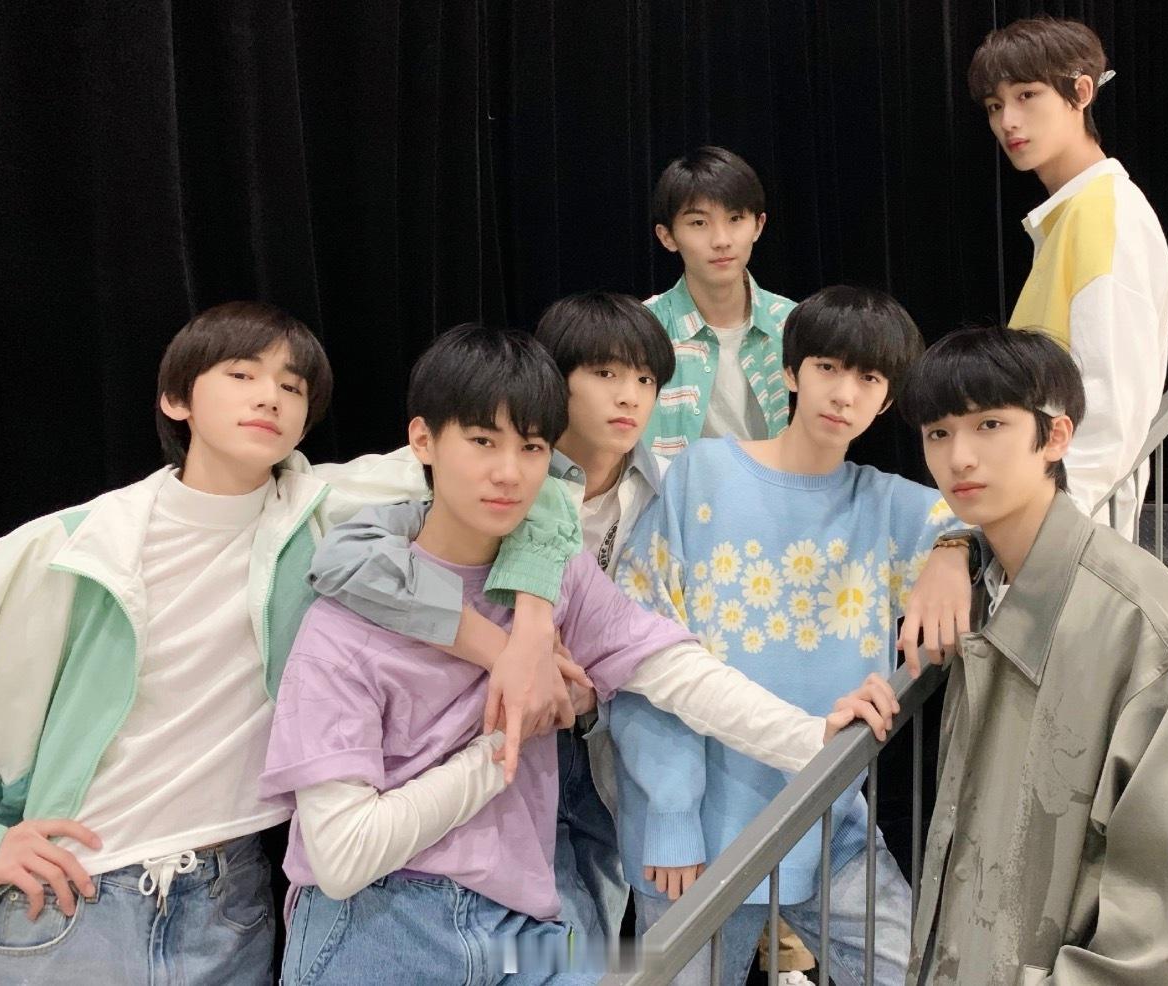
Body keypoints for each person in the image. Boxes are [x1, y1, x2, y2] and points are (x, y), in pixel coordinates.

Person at [263, 325, 901, 985]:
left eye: (531, 447)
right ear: (423, 440)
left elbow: (675, 670)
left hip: (520, 927)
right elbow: (341, 857)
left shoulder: (559, 575)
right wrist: (505, 746)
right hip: (378, 923)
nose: (509, 472)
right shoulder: (346, 616)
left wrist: (812, 736)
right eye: (482, 441)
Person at [0, 302, 580, 983]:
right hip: (75, 897)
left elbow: (543, 476)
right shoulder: (73, 545)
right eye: (242, 374)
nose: (269, 396)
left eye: (292, 386)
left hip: (229, 899)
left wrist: (530, 635)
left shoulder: (325, 509)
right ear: (176, 399)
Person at [611, 286, 959, 986]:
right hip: (700, 836)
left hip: (829, 827)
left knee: (923, 972)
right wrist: (671, 815)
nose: (845, 394)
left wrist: (955, 550)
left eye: (869, 378)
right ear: (791, 371)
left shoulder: (886, 503)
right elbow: (641, 655)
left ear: (887, 400)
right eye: (828, 368)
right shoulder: (700, 474)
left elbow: (1002, 511)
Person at [309, 291, 677, 942]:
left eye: (646, 379)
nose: (628, 396)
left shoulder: (669, 485)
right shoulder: (462, 471)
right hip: (487, 743)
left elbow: (652, 640)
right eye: (605, 373)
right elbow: (339, 550)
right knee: (534, 916)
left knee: (592, 932)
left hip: (599, 731)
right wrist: (511, 651)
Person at [901, 323, 1168, 985]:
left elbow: (1158, 923)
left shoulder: (1142, 622)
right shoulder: (985, 582)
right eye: (938, 433)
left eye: (989, 425)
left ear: (1055, 436)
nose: (959, 458)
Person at [969, 16, 1168, 535]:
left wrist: (1043, 534)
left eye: (1027, 95)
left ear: (1080, 92)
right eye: (994, 105)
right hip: (1042, 521)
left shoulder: (1104, 213)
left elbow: (1109, 412)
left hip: (1067, 533)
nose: (1008, 121)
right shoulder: (1075, 215)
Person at [642, 146, 795, 458]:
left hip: (776, 486)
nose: (722, 240)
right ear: (667, 236)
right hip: (675, 489)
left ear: (758, 225)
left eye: (735, 218)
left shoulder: (793, 322)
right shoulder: (643, 329)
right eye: (699, 223)